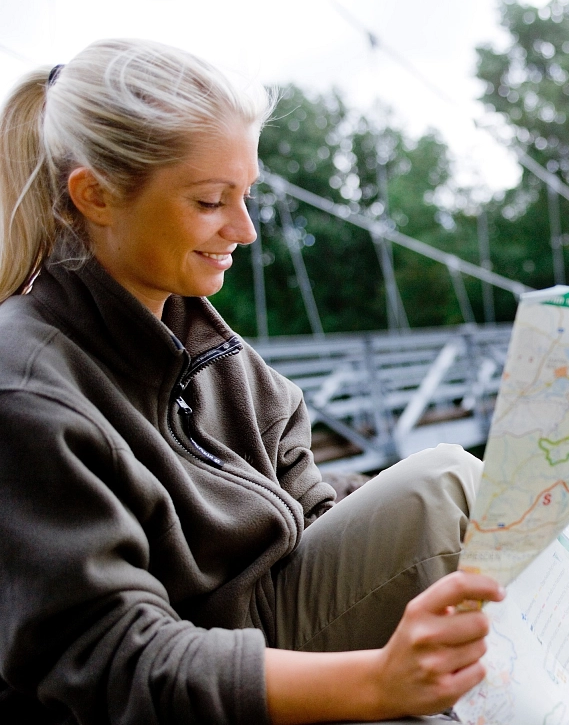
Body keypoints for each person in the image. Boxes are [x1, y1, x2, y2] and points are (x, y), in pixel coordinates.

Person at [0, 39, 503, 725]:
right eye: (210, 201)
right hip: (177, 688)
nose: (245, 230)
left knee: (449, 486)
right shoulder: (26, 389)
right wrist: (373, 686)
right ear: (96, 196)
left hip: (257, 632)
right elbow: (111, 663)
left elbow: (319, 523)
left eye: (247, 196)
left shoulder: (216, 354)